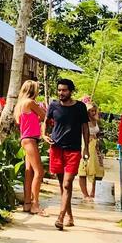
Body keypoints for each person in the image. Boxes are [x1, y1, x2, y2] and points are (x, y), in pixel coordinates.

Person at [46, 77, 91, 230]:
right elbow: (45, 122)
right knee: (63, 186)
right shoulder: (53, 106)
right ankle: (69, 216)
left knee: (67, 183)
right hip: (56, 148)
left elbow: (85, 127)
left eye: (64, 90)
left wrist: (86, 148)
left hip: (73, 150)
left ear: (71, 91)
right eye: (59, 90)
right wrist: (44, 134)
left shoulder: (80, 107)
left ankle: (60, 217)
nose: (61, 93)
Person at [14, 79, 47, 215]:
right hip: (30, 140)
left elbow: (26, 120)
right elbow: (45, 116)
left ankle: (27, 203)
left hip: (25, 139)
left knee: (29, 172)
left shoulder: (20, 105)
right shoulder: (31, 103)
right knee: (39, 171)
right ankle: (35, 204)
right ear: (33, 90)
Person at [78, 98, 105, 203]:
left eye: (94, 110)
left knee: (98, 170)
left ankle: (94, 192)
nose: (93, 112)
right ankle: (85, 194)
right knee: (84, 169)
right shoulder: (84, 121)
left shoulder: (96, 121)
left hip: (95, 146)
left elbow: (98, 132)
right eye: (90, 111)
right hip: (86, 144)